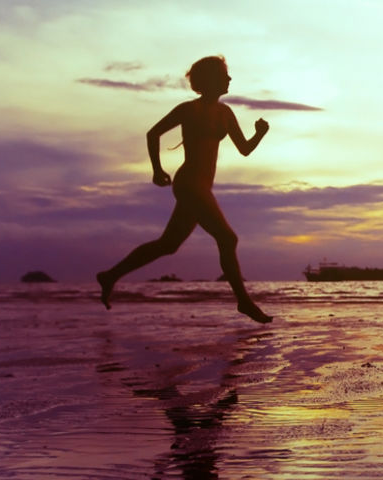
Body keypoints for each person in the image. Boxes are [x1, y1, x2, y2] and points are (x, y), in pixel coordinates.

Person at [97, 55, 272, 323]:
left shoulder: (225, 113)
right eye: (225, 75)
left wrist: (260, 134)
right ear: (211, 79)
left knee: (168, 245)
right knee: (228, 239)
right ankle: (244, 302)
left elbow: (245, 149)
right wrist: (156, 169)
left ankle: (110, 276)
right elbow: (153, 133)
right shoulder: (187, 110)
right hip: (189, 184)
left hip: (203, 187)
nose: (229, 79)